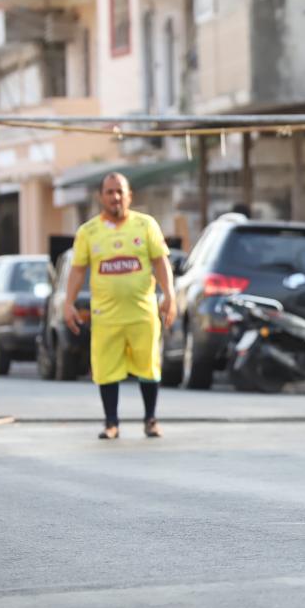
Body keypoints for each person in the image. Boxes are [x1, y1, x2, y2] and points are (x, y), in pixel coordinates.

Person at [64, 173, 175, 439]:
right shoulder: (88, 232)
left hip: (142, 312)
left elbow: (160, 262)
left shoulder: (146, 225)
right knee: (105, 368)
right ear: (101, 197)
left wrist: (169, 294)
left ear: (129, 195)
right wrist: (68, 302)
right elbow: (78, 270)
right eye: (110, 192)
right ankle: (111, 423)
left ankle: (150, 419)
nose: (115, 197)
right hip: (105, 315)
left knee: (149, 365)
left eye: (120, 191)